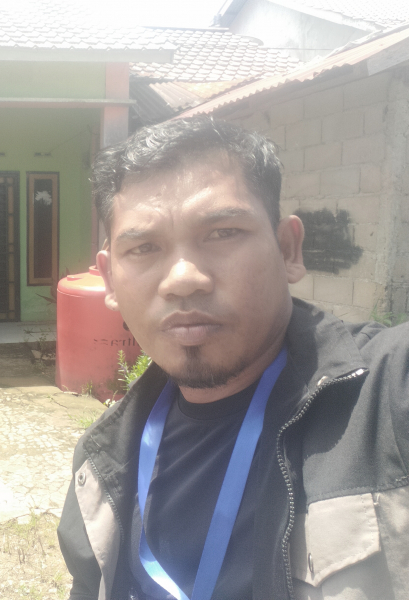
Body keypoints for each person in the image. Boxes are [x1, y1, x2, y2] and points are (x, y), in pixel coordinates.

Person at [57, 116, 409, 600]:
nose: (182, 279)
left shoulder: (385, 399)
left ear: (288, 249)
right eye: (143, 247)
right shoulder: (101, 464)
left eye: (222, 232)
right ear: (111, 280)